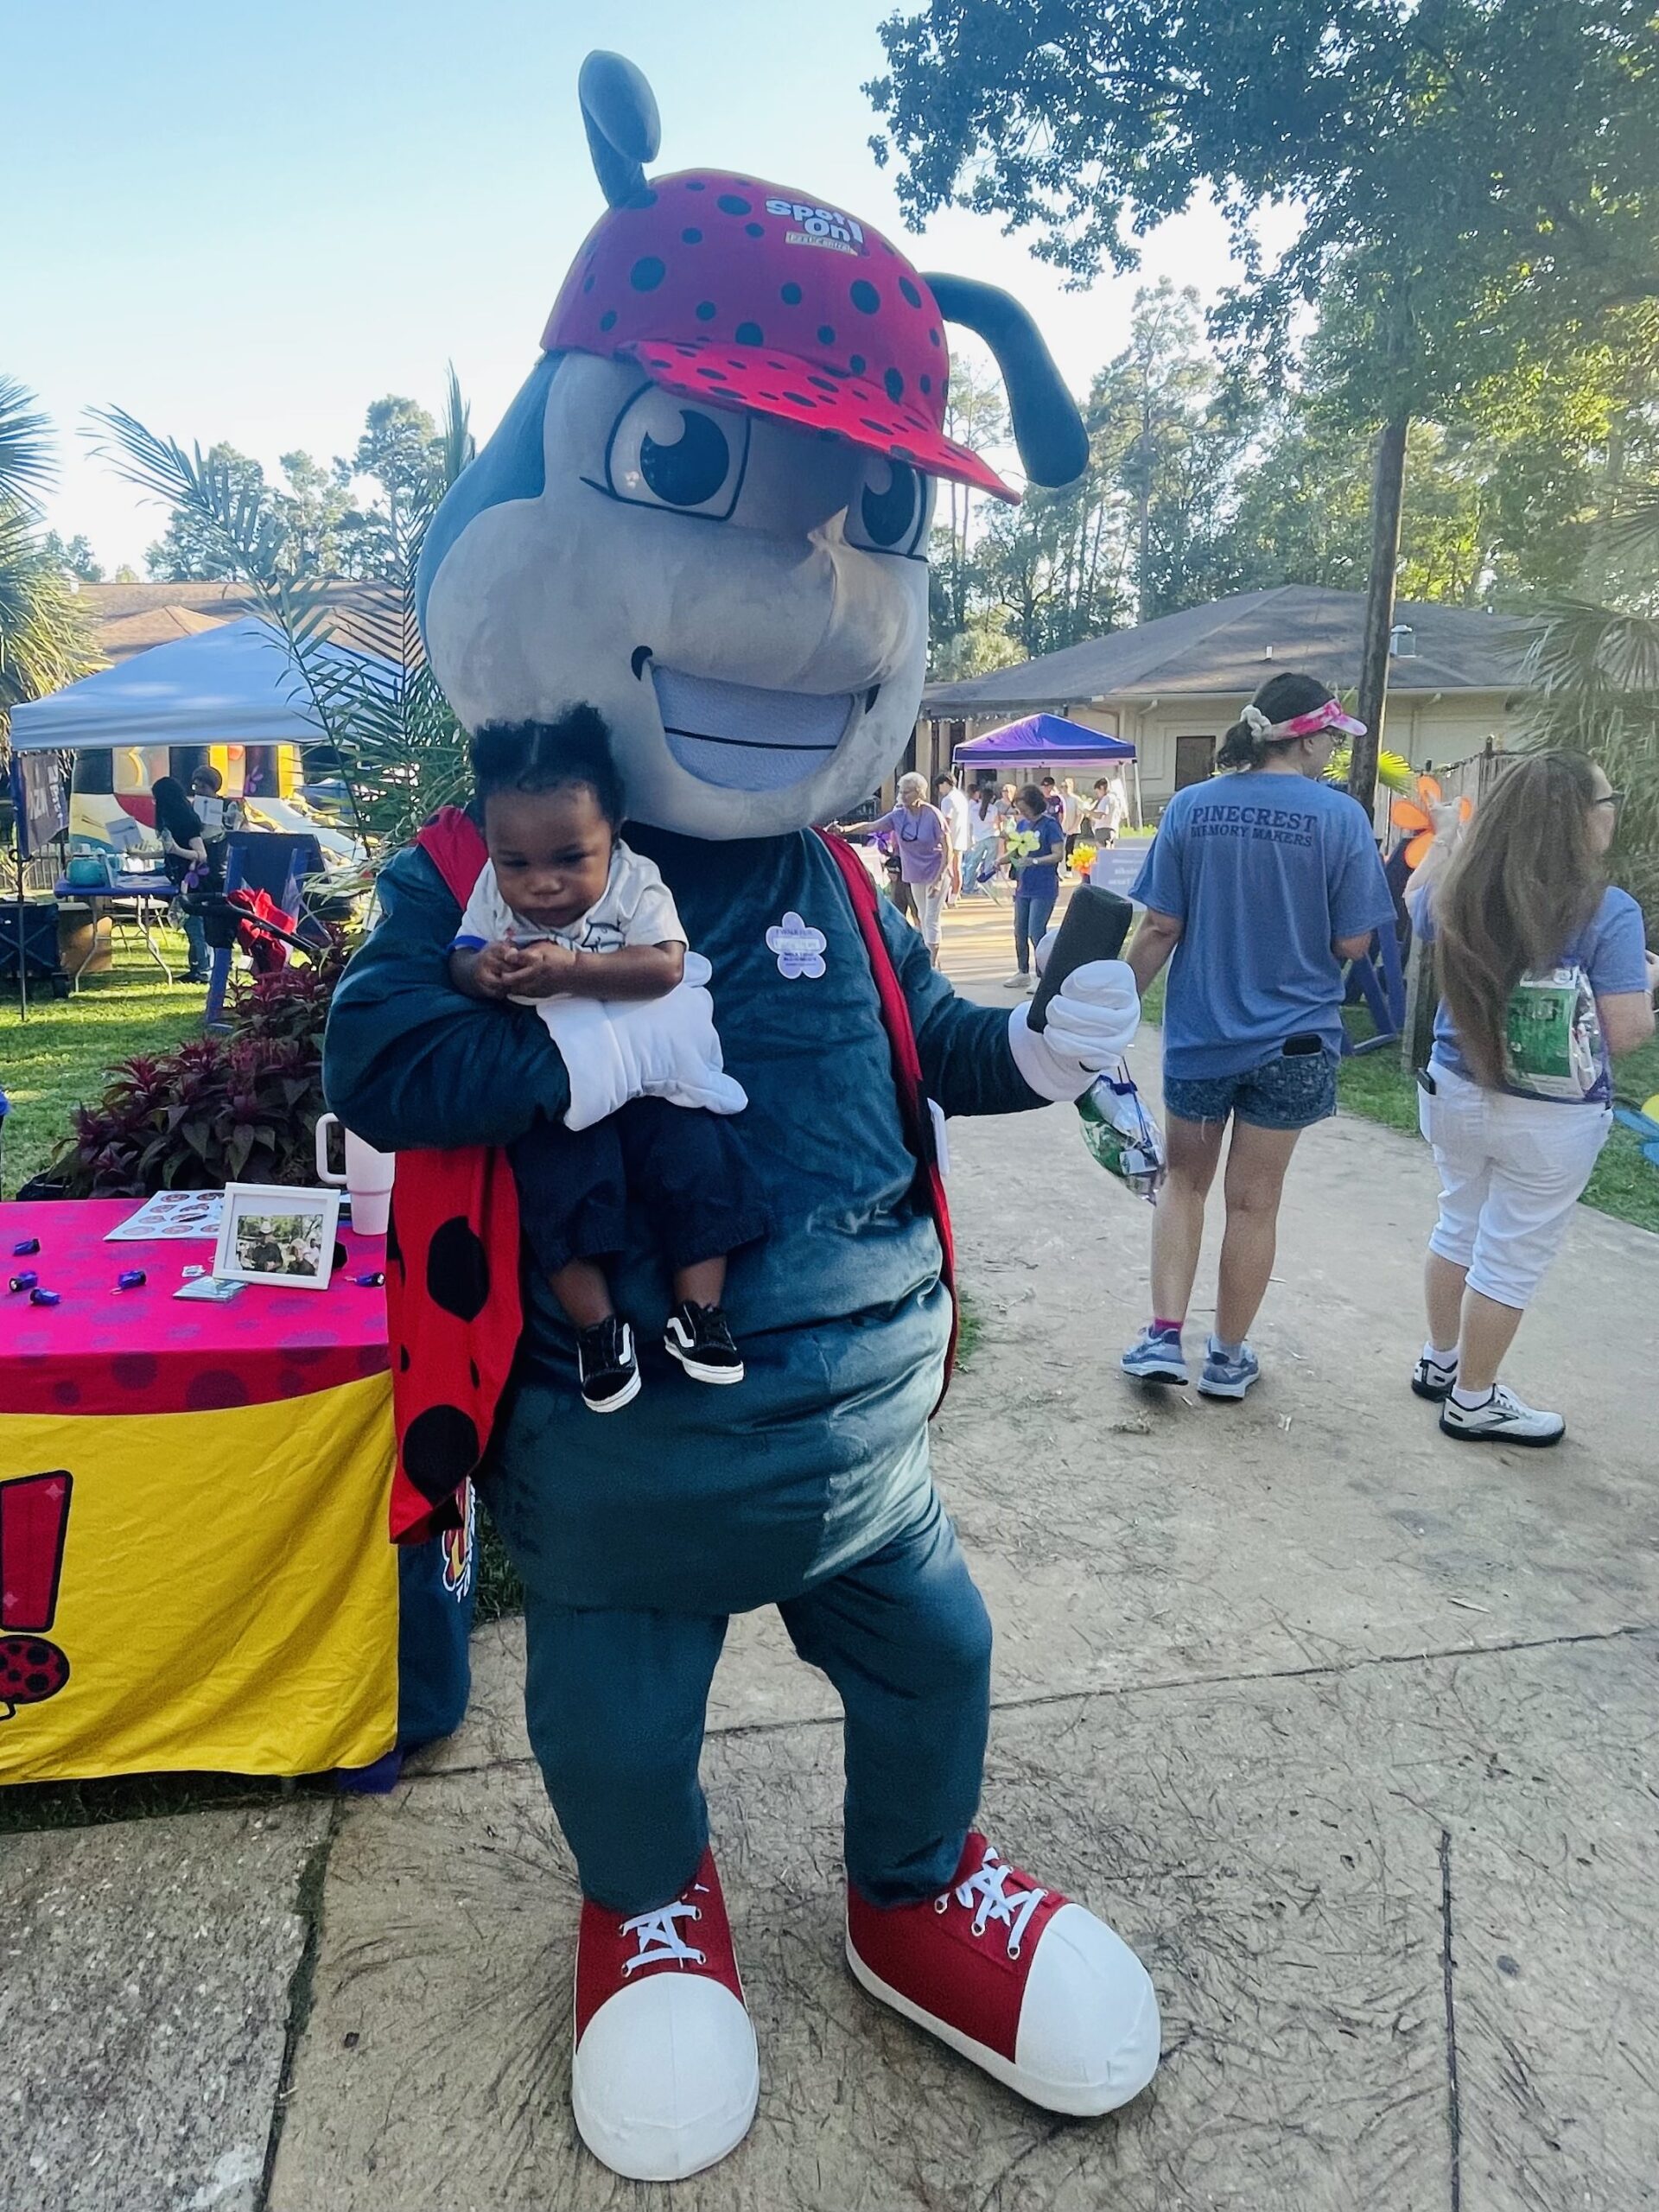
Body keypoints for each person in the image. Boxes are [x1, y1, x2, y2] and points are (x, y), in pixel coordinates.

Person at [448, 709, 768, 1411]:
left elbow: (664, 968)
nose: (541, 885)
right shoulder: (490, 894)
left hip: (655, 1082)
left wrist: (573, 971)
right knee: (556, 1187)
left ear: (612, 828)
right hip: (570, 1088)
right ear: (491, 848)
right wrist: (482, 973)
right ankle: (597, 1329)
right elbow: (462, 952)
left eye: (570, 858)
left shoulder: (636, 882)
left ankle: (700, 1313)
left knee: (703, 1165)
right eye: (516, 863)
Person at [1121, 671, 1395, 1398]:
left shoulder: (1190, 809)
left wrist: (1117, 1003)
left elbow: (1160, 926)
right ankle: (1228, 1358)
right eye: (1332, 736)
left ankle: (1161, 1336)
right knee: (1255, 1201)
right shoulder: (1340, 820)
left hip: (1202, 1037)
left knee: (1184, 1183)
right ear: (1304, 737)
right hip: (1296, 1043)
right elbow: (1355, 944)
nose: (1335, 749)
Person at [1412, 750, 1656, 1445]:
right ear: (1581, 819)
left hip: (1453, 1090)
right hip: (1552, 1119)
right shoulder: (1608, 910)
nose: (1613, 813)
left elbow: (1414, 907)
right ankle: (1474, 1400)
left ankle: (1441, 1362)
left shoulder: (1460, 889)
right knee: (1511, 1256)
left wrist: (1447, 840)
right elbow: (1627, 1031)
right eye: (1608, 802)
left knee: (1457, 1223)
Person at [870, 772, 950, 964]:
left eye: (907, 792)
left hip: (935, 872)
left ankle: (931, 965)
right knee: (921, 917)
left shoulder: (933, 814)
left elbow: (949, 849)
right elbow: (872, 826)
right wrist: (845, 830)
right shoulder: (898, 815)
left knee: (931, 919)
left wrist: (940, 879)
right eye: (901, 791)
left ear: (919, 793)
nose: (902, 796)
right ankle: (930, 961)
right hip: (915, 874)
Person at [1004, 782, 1066, 990]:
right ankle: (1022, 971)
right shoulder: (1022, 825)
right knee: (1019, 930)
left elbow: (1058, 854)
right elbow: (1016, 851)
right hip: (1024, 886)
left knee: (1035, 930)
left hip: (1044, 886)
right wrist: (999, 861)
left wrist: (1036, 861)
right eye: (1019, 810)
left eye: (1025, 809)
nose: (1022, 813)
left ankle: (1042, 976)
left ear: (1035, 805)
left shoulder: (1050, 825)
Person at [151, 774, 211, 984]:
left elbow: (201, 854)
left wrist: (177, 849)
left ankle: (204, 970)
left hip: (192, 879)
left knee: (195, 926)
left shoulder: (185, 822)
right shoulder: (171, 821)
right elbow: (170, 852)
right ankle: (197, 967)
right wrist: (143, 856)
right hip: (180, 876)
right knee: (190, 925)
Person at [188, 764, 245, 882]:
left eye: (203, 787)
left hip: (221, 854)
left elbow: (241, 830)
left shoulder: (228, 805)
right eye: (196, 787)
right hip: (201, 853)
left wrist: (233, 819)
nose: (199, 791)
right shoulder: (193, 806)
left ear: (213, 788)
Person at [935, 772, 972, 899]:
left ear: (945, 784)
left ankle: (947, 896)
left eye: (940, 786)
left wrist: (940, 838)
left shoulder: (948, 800)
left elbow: (946, 821)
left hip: (950, 839)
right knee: (956, 868)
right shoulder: (961, 797)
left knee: (947, 869)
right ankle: (954, 896)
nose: (939, 790)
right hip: (960, 837)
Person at [962, 781, 1003, 893]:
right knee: (989, 864)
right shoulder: (993, 809)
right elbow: (997, 823)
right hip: (991, 836)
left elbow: (970, 824)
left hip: (978, 838)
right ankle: (988, 888)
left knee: (973, 863)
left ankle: (967, 886)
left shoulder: (973, 808)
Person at [1089, 776, 1127, 849]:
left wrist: (1088, 812)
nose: (1098, 795)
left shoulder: (1106, 798)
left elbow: (1101, 815)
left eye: (1097, 792)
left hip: (1103, 830)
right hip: (1113, 829)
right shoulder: (1116, 799)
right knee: (1111, 852)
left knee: (1103, 853)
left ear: (1102, 788)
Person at [1058, 777, 1084, 862]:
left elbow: (1080, 815)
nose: (1064, 789)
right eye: (1062, 786)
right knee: (1058, 849)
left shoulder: (1076, 799)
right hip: (1061, 828)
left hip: (1072, 829)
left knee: (1069, 849)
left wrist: (1074, 827)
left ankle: (1068, 869)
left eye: (1066, 786)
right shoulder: (1059, 798)